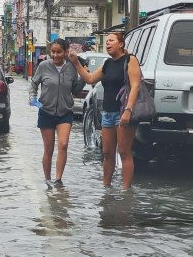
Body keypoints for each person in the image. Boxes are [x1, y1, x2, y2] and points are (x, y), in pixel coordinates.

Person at [70, 31, 143, 190]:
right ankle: (106, 188)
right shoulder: (108, 63)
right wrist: (76, 63)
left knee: (124, 152)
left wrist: (128, 110)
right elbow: (89, 79)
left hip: (123, 112)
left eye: (111, 40)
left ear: (121, 44)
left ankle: (125, 191)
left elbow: (135, 85)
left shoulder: (130, 60)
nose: (108, 43)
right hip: (107, 113)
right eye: (107, 41)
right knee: (107, 153)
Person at [30, 38, 82, 187]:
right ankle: (47, 179)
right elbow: (34, 83)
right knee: (49, 148)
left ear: (65, 52)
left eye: (59, 52)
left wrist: (84, 78)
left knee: (63, 144)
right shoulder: (44, 66)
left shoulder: (72, 67)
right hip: (46, 111)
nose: (55, 55)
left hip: (65, 112)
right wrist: (32, 97)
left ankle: (58, 180)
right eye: (53, 52)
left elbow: (76, 90)